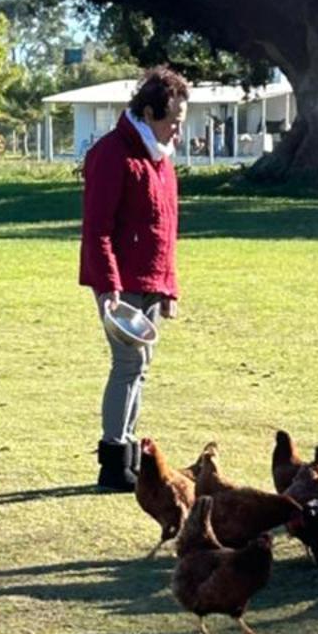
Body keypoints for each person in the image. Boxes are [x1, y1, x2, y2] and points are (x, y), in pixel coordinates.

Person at [79, 66, 189, 491]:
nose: (177, 129)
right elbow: (98, 227)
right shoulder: (112, 155)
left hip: (149, 280)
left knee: (140, 367)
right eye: (172, 119)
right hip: (119, 283)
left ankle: (128, 454)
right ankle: (113, 461)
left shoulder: (160, 160)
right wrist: (109, 289)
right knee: (128, 364)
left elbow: (168, 227)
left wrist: (169, 287)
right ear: (148, 112)